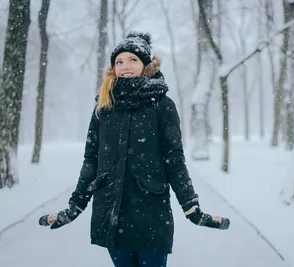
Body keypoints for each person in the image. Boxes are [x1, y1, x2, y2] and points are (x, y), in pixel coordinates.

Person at [38, 31, 230, 267]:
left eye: (132, 60)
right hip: (110, 214)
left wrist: (191, 207)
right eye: (119, 61)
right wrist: (75, 206)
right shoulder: (104, 107)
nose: (125, 66)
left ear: (146, 65)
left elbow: (174, 160)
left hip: (151, 213)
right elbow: (91, 161)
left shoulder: (162, 106)